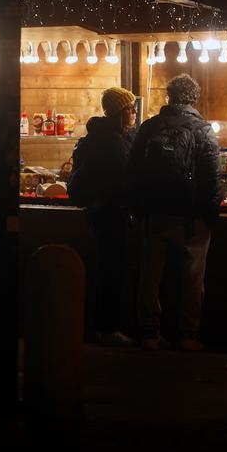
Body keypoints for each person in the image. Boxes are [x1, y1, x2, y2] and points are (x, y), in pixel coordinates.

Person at [127, 74, 220, 352]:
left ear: (168, 97)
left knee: (150, 277)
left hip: (154, 216)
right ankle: (187, 335)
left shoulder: (149, 127)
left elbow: (132, 171)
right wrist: (210, 215)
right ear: (194, 98)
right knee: (192, 279)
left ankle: (149, 334)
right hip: (190, 220)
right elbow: (212, 177)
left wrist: (138, 209)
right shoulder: (203, 130)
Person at [68, 86, 138, 346]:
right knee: (112, 271)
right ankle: (107, 328)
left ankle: (104, 326)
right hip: (110, 213)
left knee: (110, 269)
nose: (134, 113)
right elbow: (121, 179)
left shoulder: (108, 136)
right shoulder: (110, 142)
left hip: (104, 212)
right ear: (118, 112)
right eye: (129, 109)